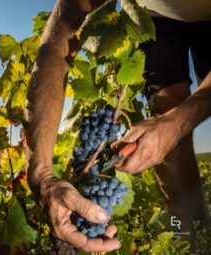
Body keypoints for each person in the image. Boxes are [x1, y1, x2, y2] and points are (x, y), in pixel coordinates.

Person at [24, 0, 211, 252]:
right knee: (169, 137)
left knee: (178, 121)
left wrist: (177, 122)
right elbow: (56, 47)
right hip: (155, 16)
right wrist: (40, 174)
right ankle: (189, 237)